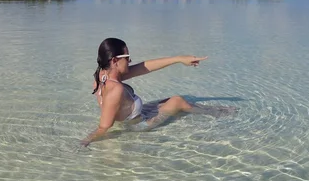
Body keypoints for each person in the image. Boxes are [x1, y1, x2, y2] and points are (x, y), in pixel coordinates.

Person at [81, 37, 237, 147]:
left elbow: (145, 67)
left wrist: (178, 59)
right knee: (178, 101)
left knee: (169, 100)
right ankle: (218, 113)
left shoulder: (102, 75)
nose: (130, 61)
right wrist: (84, 142)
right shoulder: (116, 89)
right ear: (115, 60)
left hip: (132, 116)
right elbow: (104, 127)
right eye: (127, 57)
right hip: (138, 125)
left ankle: (208, 110)